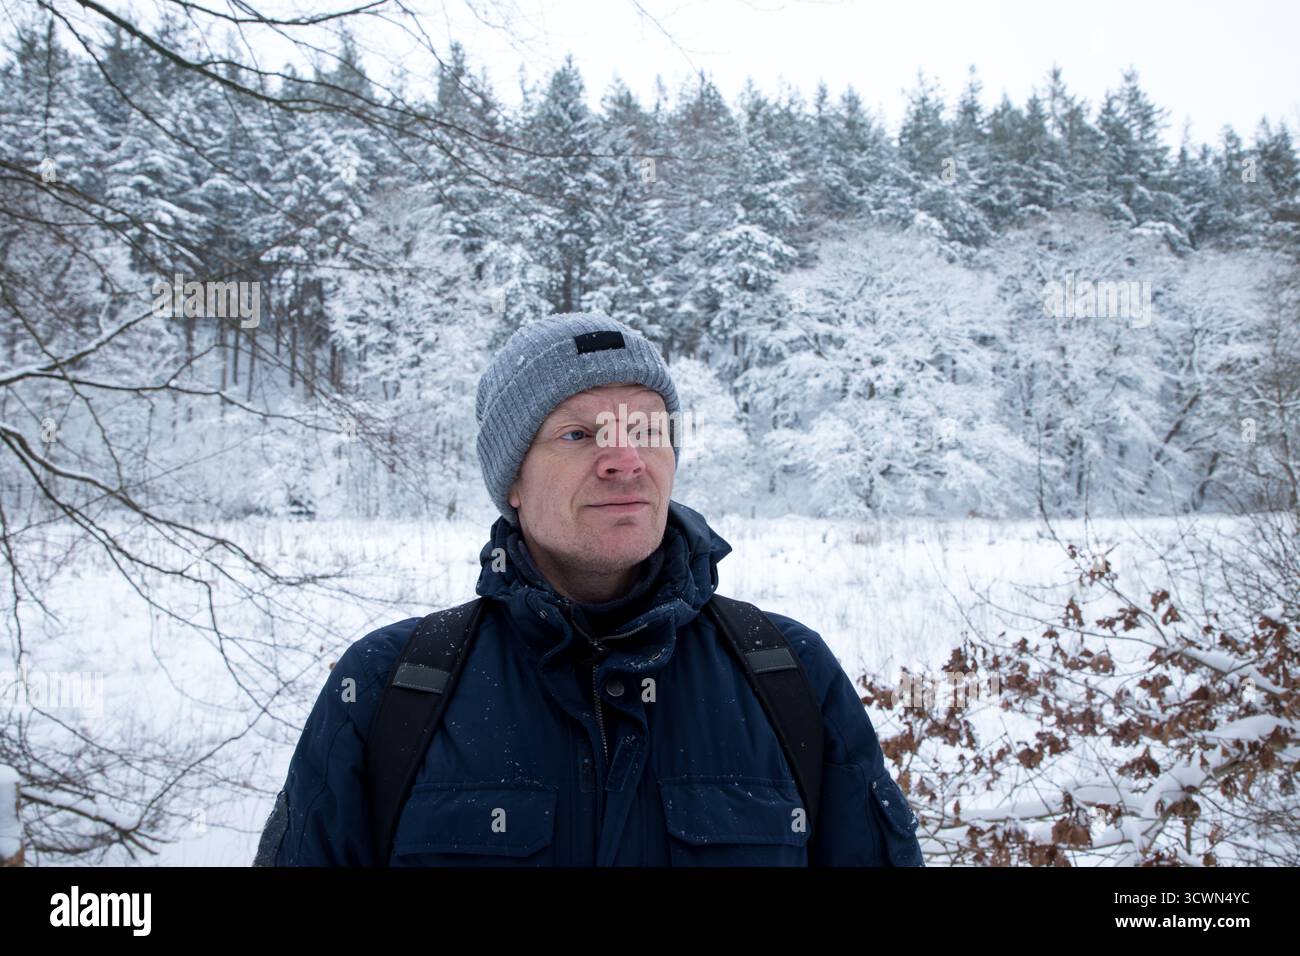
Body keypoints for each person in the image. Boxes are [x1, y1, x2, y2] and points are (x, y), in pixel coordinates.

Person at [258, 311, 925, 866]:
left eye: (646, 430)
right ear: (512, 483)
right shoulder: (391, 688)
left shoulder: (788, 673)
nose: (624, 459)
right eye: (578, 434)